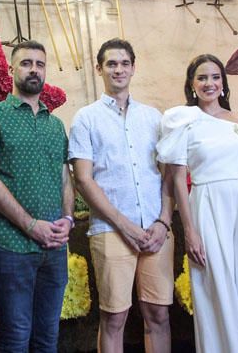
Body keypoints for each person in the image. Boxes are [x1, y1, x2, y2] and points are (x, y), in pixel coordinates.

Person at [157, 54, 238, 353]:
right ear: (191, 84)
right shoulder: (183, 121)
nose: (209, 83)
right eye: (202, 78)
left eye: (215, 77)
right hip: (208, 206)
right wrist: (189, 230)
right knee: (217, 285)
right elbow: (177, 180)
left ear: (223, 83)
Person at [69, 38, 174, 353]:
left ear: (133, 68)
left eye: (124, 63)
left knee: (158, 314)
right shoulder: (86, 118)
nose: (118, 69)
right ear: (99, 68)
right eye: (111, 63)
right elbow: (84, 180)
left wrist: (164, 223)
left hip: (156, 230)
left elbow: (168, 175)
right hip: (111, 229)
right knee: (115, 316)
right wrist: (126, 226)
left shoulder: (154, 117)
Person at [0, 40, 74, 352]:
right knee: (16, 337)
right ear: (11, 69)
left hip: (54, 248)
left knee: (47, 338)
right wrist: (31, 225)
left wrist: (68, 218)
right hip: (11, 246)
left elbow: (63, 177)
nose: (33, 69)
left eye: (40, 64)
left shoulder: (55, 124)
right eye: (26, 63)